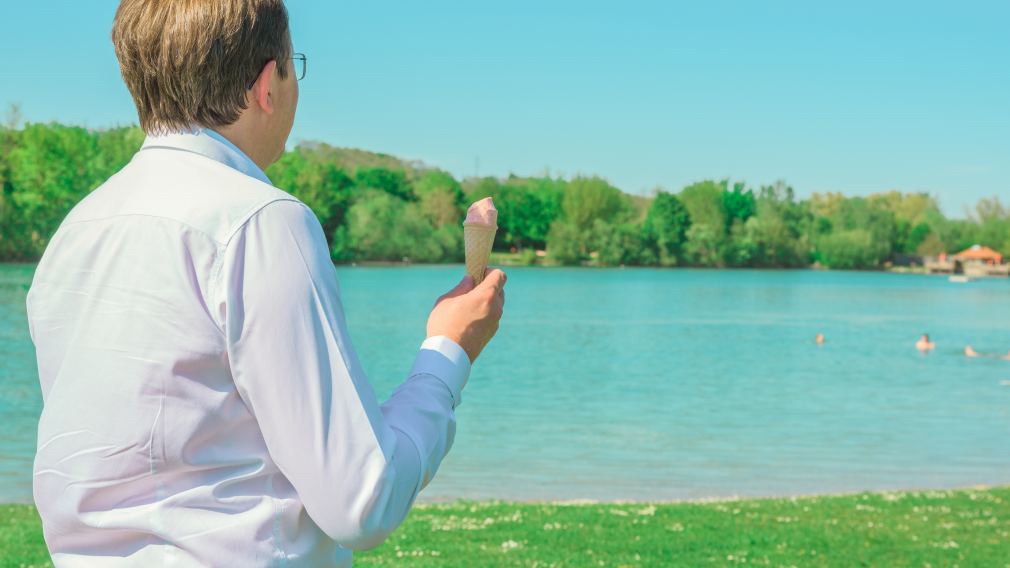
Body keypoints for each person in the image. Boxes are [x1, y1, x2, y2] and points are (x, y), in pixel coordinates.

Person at [25, 1, 506, 565]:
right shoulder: (260, 220)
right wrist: (447, 353)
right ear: (265, 86)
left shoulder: (76, 231)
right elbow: (363, 498)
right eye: (292, 66)